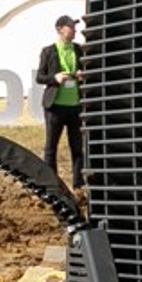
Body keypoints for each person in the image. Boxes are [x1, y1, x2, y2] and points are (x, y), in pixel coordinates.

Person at [36, 14, 87, 190]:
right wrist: (54, 78)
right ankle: (52, 185)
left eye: (74, 27)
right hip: (55, 107)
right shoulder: (48, 51)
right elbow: (39, 77)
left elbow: (88, 70)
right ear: (60, 29)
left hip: (75, 106)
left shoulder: (79, 50)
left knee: (77, 147)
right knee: (51, 147)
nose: (74, 30)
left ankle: (78, 185)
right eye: (71, 27)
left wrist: (82, 75)